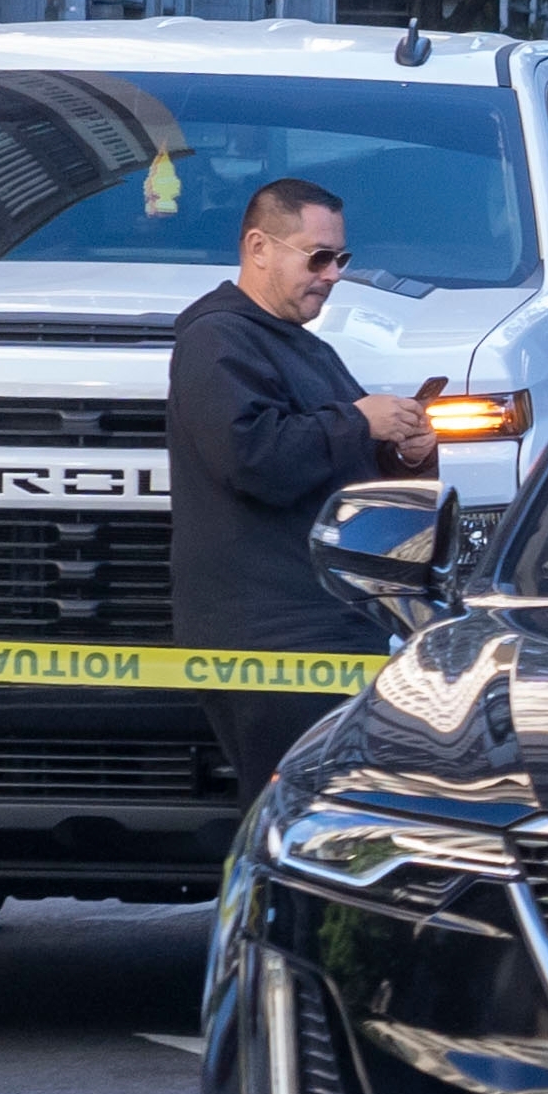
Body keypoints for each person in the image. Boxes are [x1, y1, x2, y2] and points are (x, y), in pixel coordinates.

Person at [170, 178, 434, 790]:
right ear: (259, 247)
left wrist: (408, 457)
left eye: (340, 258)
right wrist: (357, 419)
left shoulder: (298, 346)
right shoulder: (218, 339)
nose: (332, 273)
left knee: (328, 809)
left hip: (324, 625)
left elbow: (340, 476)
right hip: (271, 640)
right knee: (296, 811)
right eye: (318, 257)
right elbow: (252, 459)